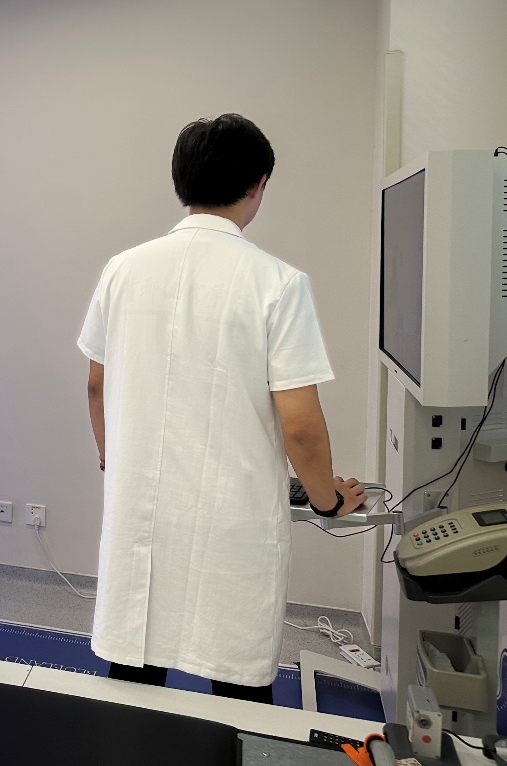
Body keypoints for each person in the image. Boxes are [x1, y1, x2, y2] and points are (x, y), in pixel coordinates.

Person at [78, 114, 367, 703]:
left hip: (140, 509)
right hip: (231, 524)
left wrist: (113, 458)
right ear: (258, 185)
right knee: (237, 693)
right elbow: (301, 427)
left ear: (180, 180)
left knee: (134, 682)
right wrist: (327, 500)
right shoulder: (278, 283)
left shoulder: (123, 269)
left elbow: (96, 387)